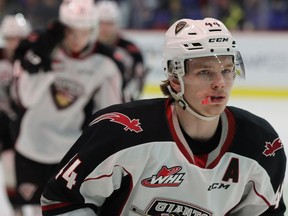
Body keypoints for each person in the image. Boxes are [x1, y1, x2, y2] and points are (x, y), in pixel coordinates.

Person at [40, 18, 286, 215]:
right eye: (204, 72)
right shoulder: (119, 133)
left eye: (227, 70)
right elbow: (61, 201)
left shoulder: (261, 146)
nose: (220, 83)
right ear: (174, 78)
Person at [11, 0, 124, 215]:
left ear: (92, 30)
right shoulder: (43, 49)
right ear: (63, 28)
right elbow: (26, 98)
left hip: (69, 151)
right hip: (30, 145)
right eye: (72, 32)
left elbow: (111, 112)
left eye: (83, 32)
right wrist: (43, 65)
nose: (76, 39)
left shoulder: (105, 64)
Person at [0, 13, 32, 216]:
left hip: (27, 125)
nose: (14, 43)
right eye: (11, 38)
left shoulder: (34, 61)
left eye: (18, 38)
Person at [96, 0, 147, 102]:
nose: (104, 28)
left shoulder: (131, 51)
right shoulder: (86, 48)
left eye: (109, 23)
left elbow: (137, 83)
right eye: (100, 23)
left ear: (117, 24)